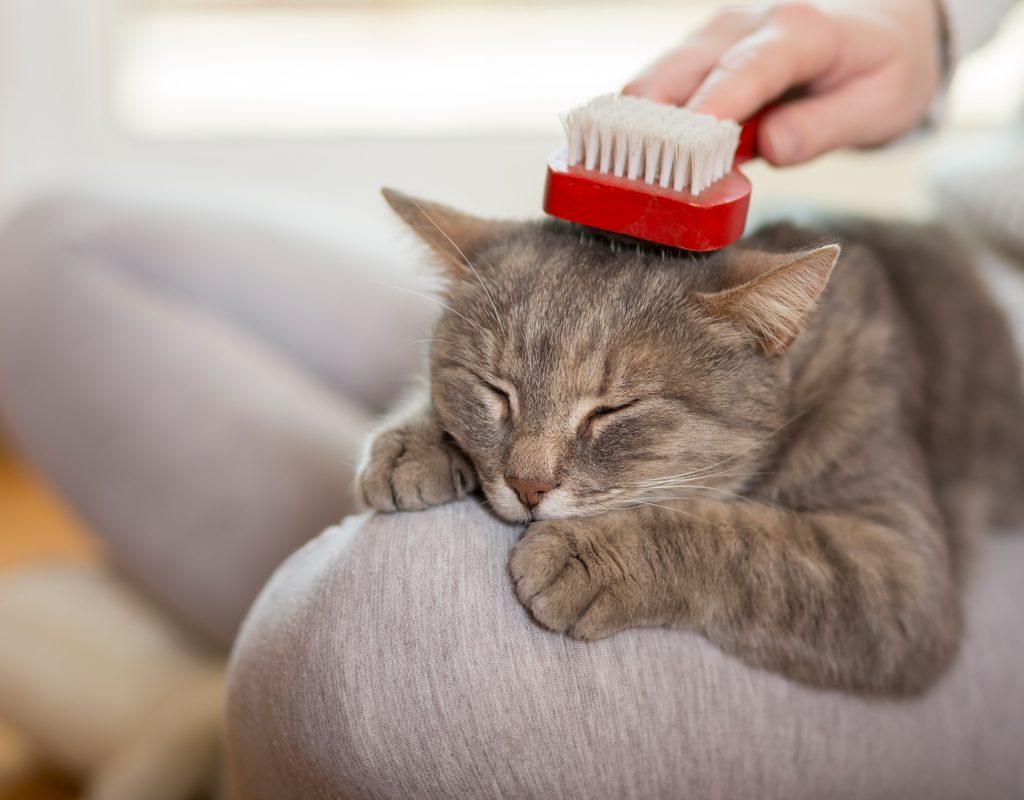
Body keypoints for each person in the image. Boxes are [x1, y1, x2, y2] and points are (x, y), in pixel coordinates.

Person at [0, 1, 1022, 798]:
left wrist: (659, 552)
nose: (526, 477)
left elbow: (900, 611)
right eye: (499, 412)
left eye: (603, 424)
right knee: (49, 257)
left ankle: (234, 678)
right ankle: (239, 673)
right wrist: (924, 15)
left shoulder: (845, 363)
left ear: (765, 343)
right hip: (928, 211)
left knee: (381, 660)